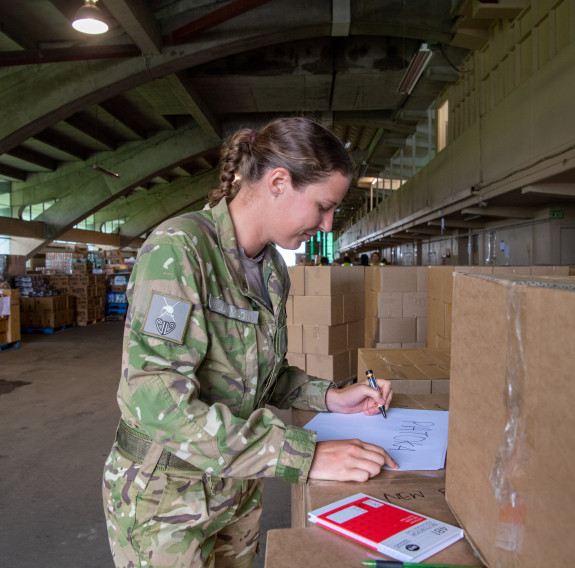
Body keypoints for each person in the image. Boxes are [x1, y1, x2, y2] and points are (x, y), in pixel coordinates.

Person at [102, 116, 397, 568]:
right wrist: (304, 455)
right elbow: (156, 397)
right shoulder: (179, 253)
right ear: (279, 182)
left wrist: (330, 396)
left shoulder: (272, 270)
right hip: (166, 503)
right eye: (323, 206)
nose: (327, 223)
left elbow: (261, 373)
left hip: (236, 488)